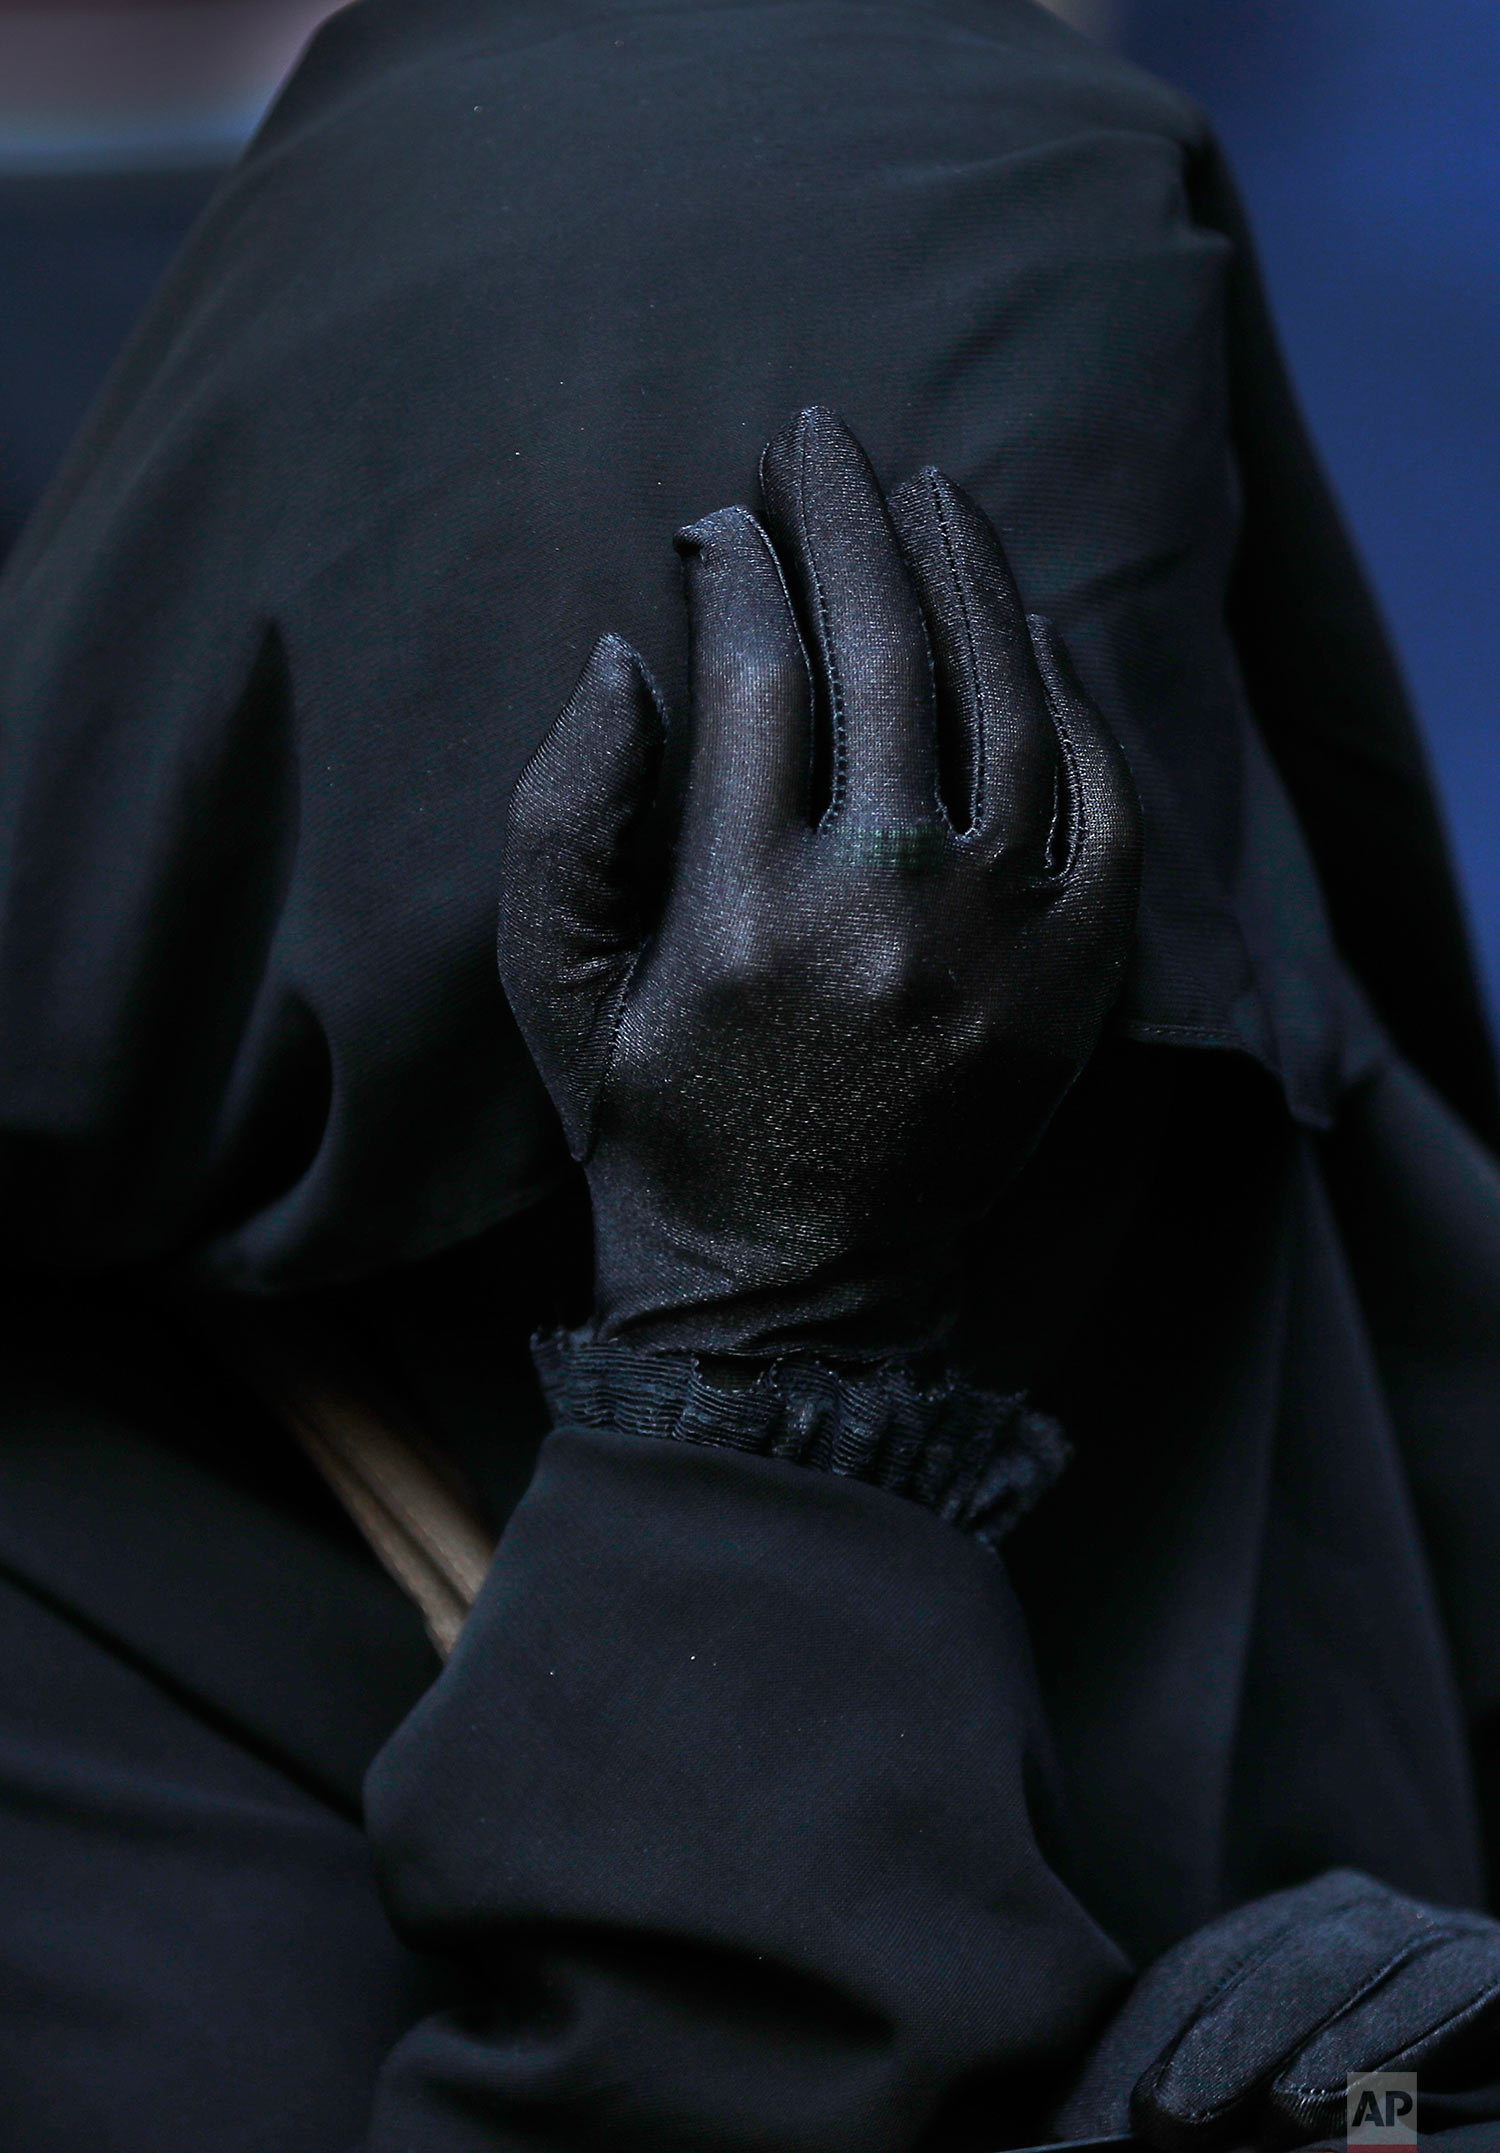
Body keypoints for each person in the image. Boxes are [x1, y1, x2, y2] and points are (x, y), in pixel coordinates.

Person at [1, 1, 1499, 2147]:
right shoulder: (63, 1556)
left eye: (1073, 664)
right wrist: (755, 1352)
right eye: (748, 752)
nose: (915, 901)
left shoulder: (1299, 1241)